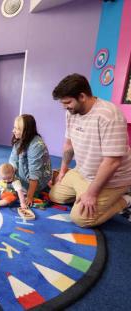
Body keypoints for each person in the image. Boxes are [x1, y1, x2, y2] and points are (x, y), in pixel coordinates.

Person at [50, 73, 131, 227]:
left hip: (111, 180)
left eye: (67, 102)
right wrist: (62, 171)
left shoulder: (109, 115)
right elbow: (68, 145)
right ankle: (84, 193)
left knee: (80, 218)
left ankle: (125, 199)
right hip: (82, 172)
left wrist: (92, 193)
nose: (64, 107)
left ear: (82, 96)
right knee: (55, 195)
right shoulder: (71, 113)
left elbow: (112, 162)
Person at [9, 114, 52, 206]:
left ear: (26, 131)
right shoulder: (20, 140)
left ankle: (37, 190)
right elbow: (13, 160)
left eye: (17, 129)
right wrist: (8, 173)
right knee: (5, 177)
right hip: (24, 173)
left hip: (36, 182)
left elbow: (34, 174)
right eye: (14, 127)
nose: (13, 131)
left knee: (18, 190)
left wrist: (29, 196)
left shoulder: (36, 146)